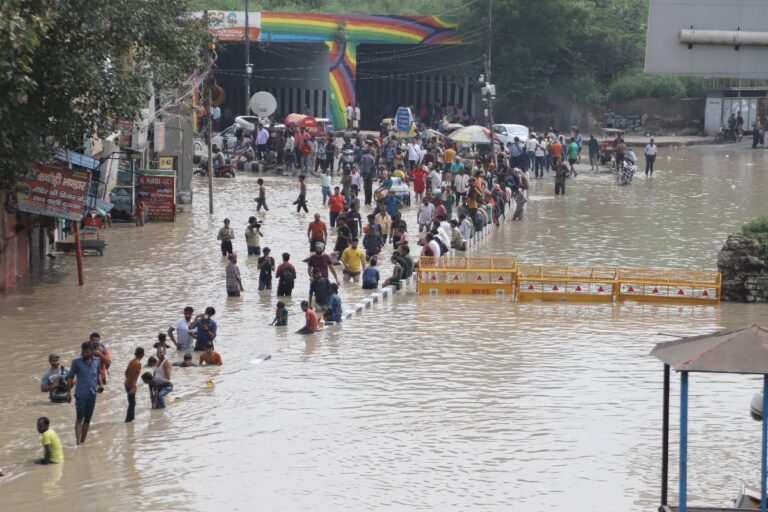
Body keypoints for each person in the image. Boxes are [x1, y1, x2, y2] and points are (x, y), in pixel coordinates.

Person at [66, 342, 105, 445]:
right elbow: (70, 377)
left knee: (87, 419)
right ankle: (78, 443)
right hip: (80, 395)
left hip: (92, 394)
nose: (85, 353)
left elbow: (98, 374)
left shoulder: (97, 361)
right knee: (79, 418)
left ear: (92, 352)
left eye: (87, 351)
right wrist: (68, 393)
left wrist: (100, 385)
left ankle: (83, 442)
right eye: (84, 351)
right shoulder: (76, 362)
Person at [123, 347, 144, 422]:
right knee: (132, 404)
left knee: (132, 403)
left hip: (127, 383)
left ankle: (131, 420)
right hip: (131, 385)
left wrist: (128, 380)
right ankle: (128, 420)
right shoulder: (138, 363)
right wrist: (133, 386)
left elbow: (126, 372)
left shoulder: (132, 361)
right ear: (142, 354)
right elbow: (135, 375)